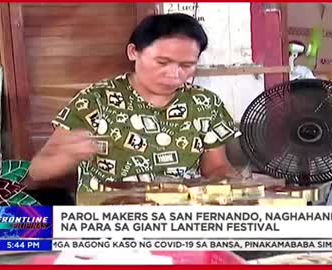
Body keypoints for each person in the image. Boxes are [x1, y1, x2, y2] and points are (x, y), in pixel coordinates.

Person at [24, 13, 241, 203]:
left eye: (186, 65)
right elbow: (37, 171)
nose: (175, 74)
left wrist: (239, 186)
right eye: (162, 62)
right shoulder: (95, 101)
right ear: (133, 52)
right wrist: (68, 156)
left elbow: (215, 167)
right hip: (107, 220)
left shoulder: (205, 103)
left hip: (180, 218)